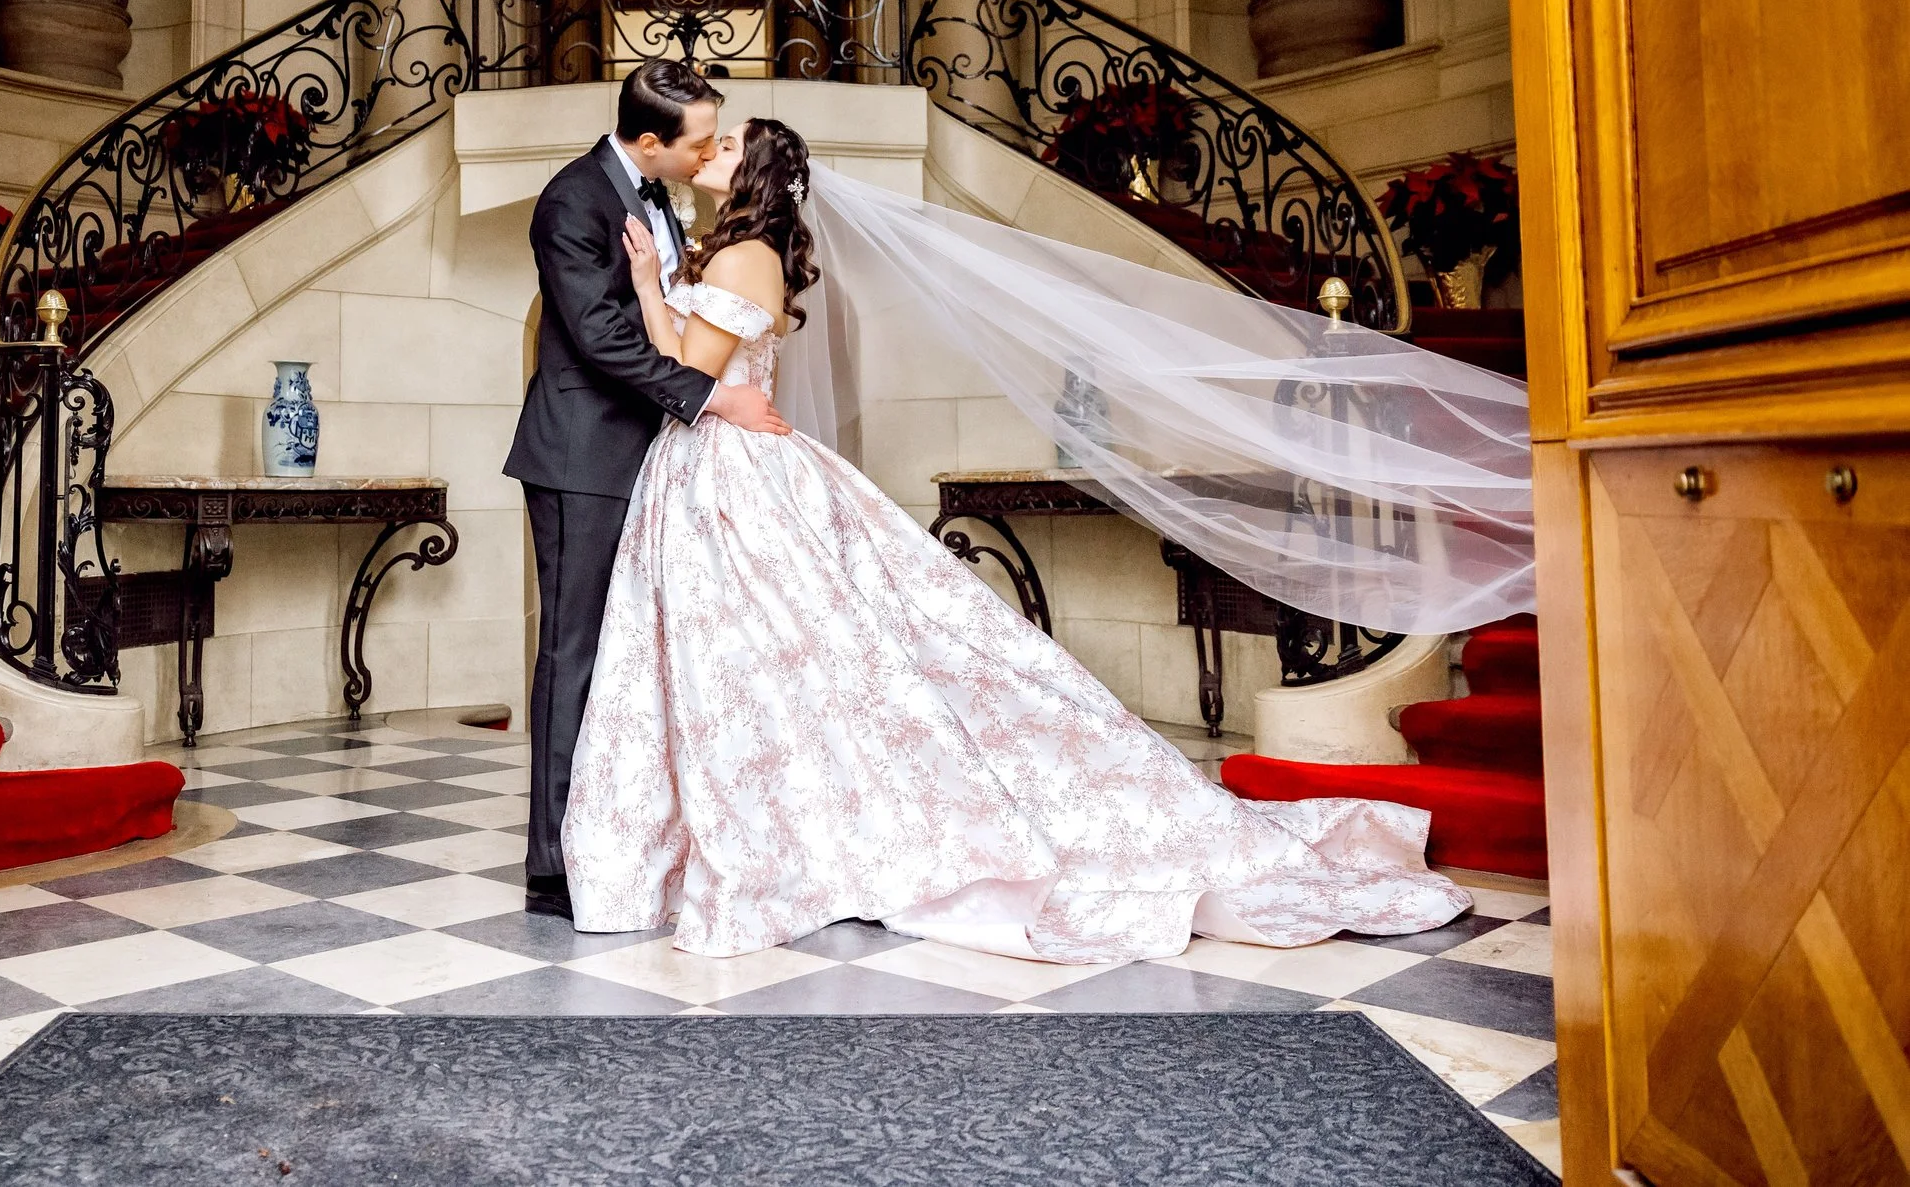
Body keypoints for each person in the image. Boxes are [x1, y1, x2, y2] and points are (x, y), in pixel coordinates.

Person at [559, 116, 1481, 963]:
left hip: (727, 468)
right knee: (777, 662)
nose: (709, 152)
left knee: (765, 660)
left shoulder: (739, 256)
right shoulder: (747, 252)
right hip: (726, 464)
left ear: (756, 174)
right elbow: (698, 368)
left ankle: (794, 834)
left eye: (726, 146)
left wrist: (646, 290)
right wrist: (663, 296)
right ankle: (793, 817)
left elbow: (683, 370)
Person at [501, 59, 792, 919]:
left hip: (657, 459)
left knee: (638, 660)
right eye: (699, 141)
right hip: (584, 456)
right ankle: (555, 862)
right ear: (653, 140)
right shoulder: (573, 200)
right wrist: (716, 398)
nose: (706, 153)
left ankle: (627, 836)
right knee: (576, 652)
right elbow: (600, 338)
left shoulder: (662, 198)